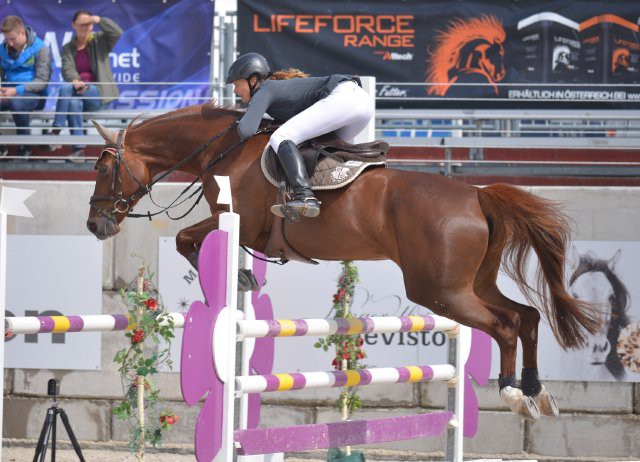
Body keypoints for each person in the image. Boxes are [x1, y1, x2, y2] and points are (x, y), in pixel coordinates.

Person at [226, 53, 373, 219]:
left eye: (237, 84)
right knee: (324, 149)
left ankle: (304, 196)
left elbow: (246, 130)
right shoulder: (274, 91)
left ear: (252, 80)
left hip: (345, 98)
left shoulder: (265, 89)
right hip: (362, 104)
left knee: (280, 137)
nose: (235, 90)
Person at [50, 11, 122, 158]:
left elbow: (117, 32)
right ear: (73, 25)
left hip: (97, 92)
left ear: (92, 25)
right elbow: (67, 69)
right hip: (78, 91)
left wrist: (98, 19)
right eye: (81, 23)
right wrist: (76, 80)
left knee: (65, 87)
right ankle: (78, 150)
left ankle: (56, 131)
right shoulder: (68, 47)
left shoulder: (99, 41)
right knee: (74, 104)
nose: (85, 26)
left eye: (88, 23)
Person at [0, 15, 51, 158]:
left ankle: (25, 145)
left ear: (22, 32)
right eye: (6, 39)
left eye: (12, 39)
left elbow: (41, 82)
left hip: (34, 95)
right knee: (14, 100)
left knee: (17, 102)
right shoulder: (2, 49)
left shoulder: (41, 49)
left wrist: (16, 90)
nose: (9, 43)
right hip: (7, 92)